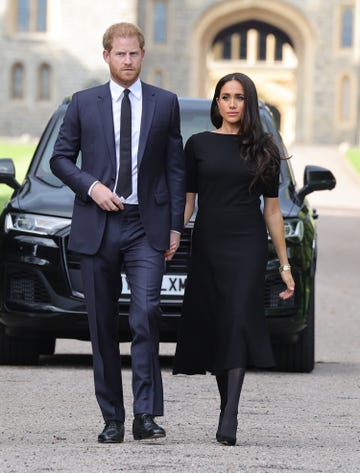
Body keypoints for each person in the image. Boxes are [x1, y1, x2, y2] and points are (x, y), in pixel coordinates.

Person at [50, 22, 185, 444]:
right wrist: (92, 187)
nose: (127, 61)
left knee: (146, 314)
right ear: (106, 56)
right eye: (120, 54)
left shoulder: (166, 103)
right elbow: (60, 158)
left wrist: (176, 225)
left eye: (134, 54)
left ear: (143, 55)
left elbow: (175, 169)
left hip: (147, 224)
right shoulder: (82, 103)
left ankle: (145, 415)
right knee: (102, 325)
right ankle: (112, 417)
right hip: (98, 223)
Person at [173, 72, 295, 446]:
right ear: (216, 102)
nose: (230, 104)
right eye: (224, 96)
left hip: (247, 243)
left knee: (239, 318)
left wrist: (285, 266)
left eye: (238, 97)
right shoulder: (197, 145)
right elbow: (188, 201)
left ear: (249, 103)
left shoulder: (264, 149)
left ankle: (230, 415)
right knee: (218, 323)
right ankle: (227, 405)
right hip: (209, 241)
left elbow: (272, 211)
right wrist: (173, 235)